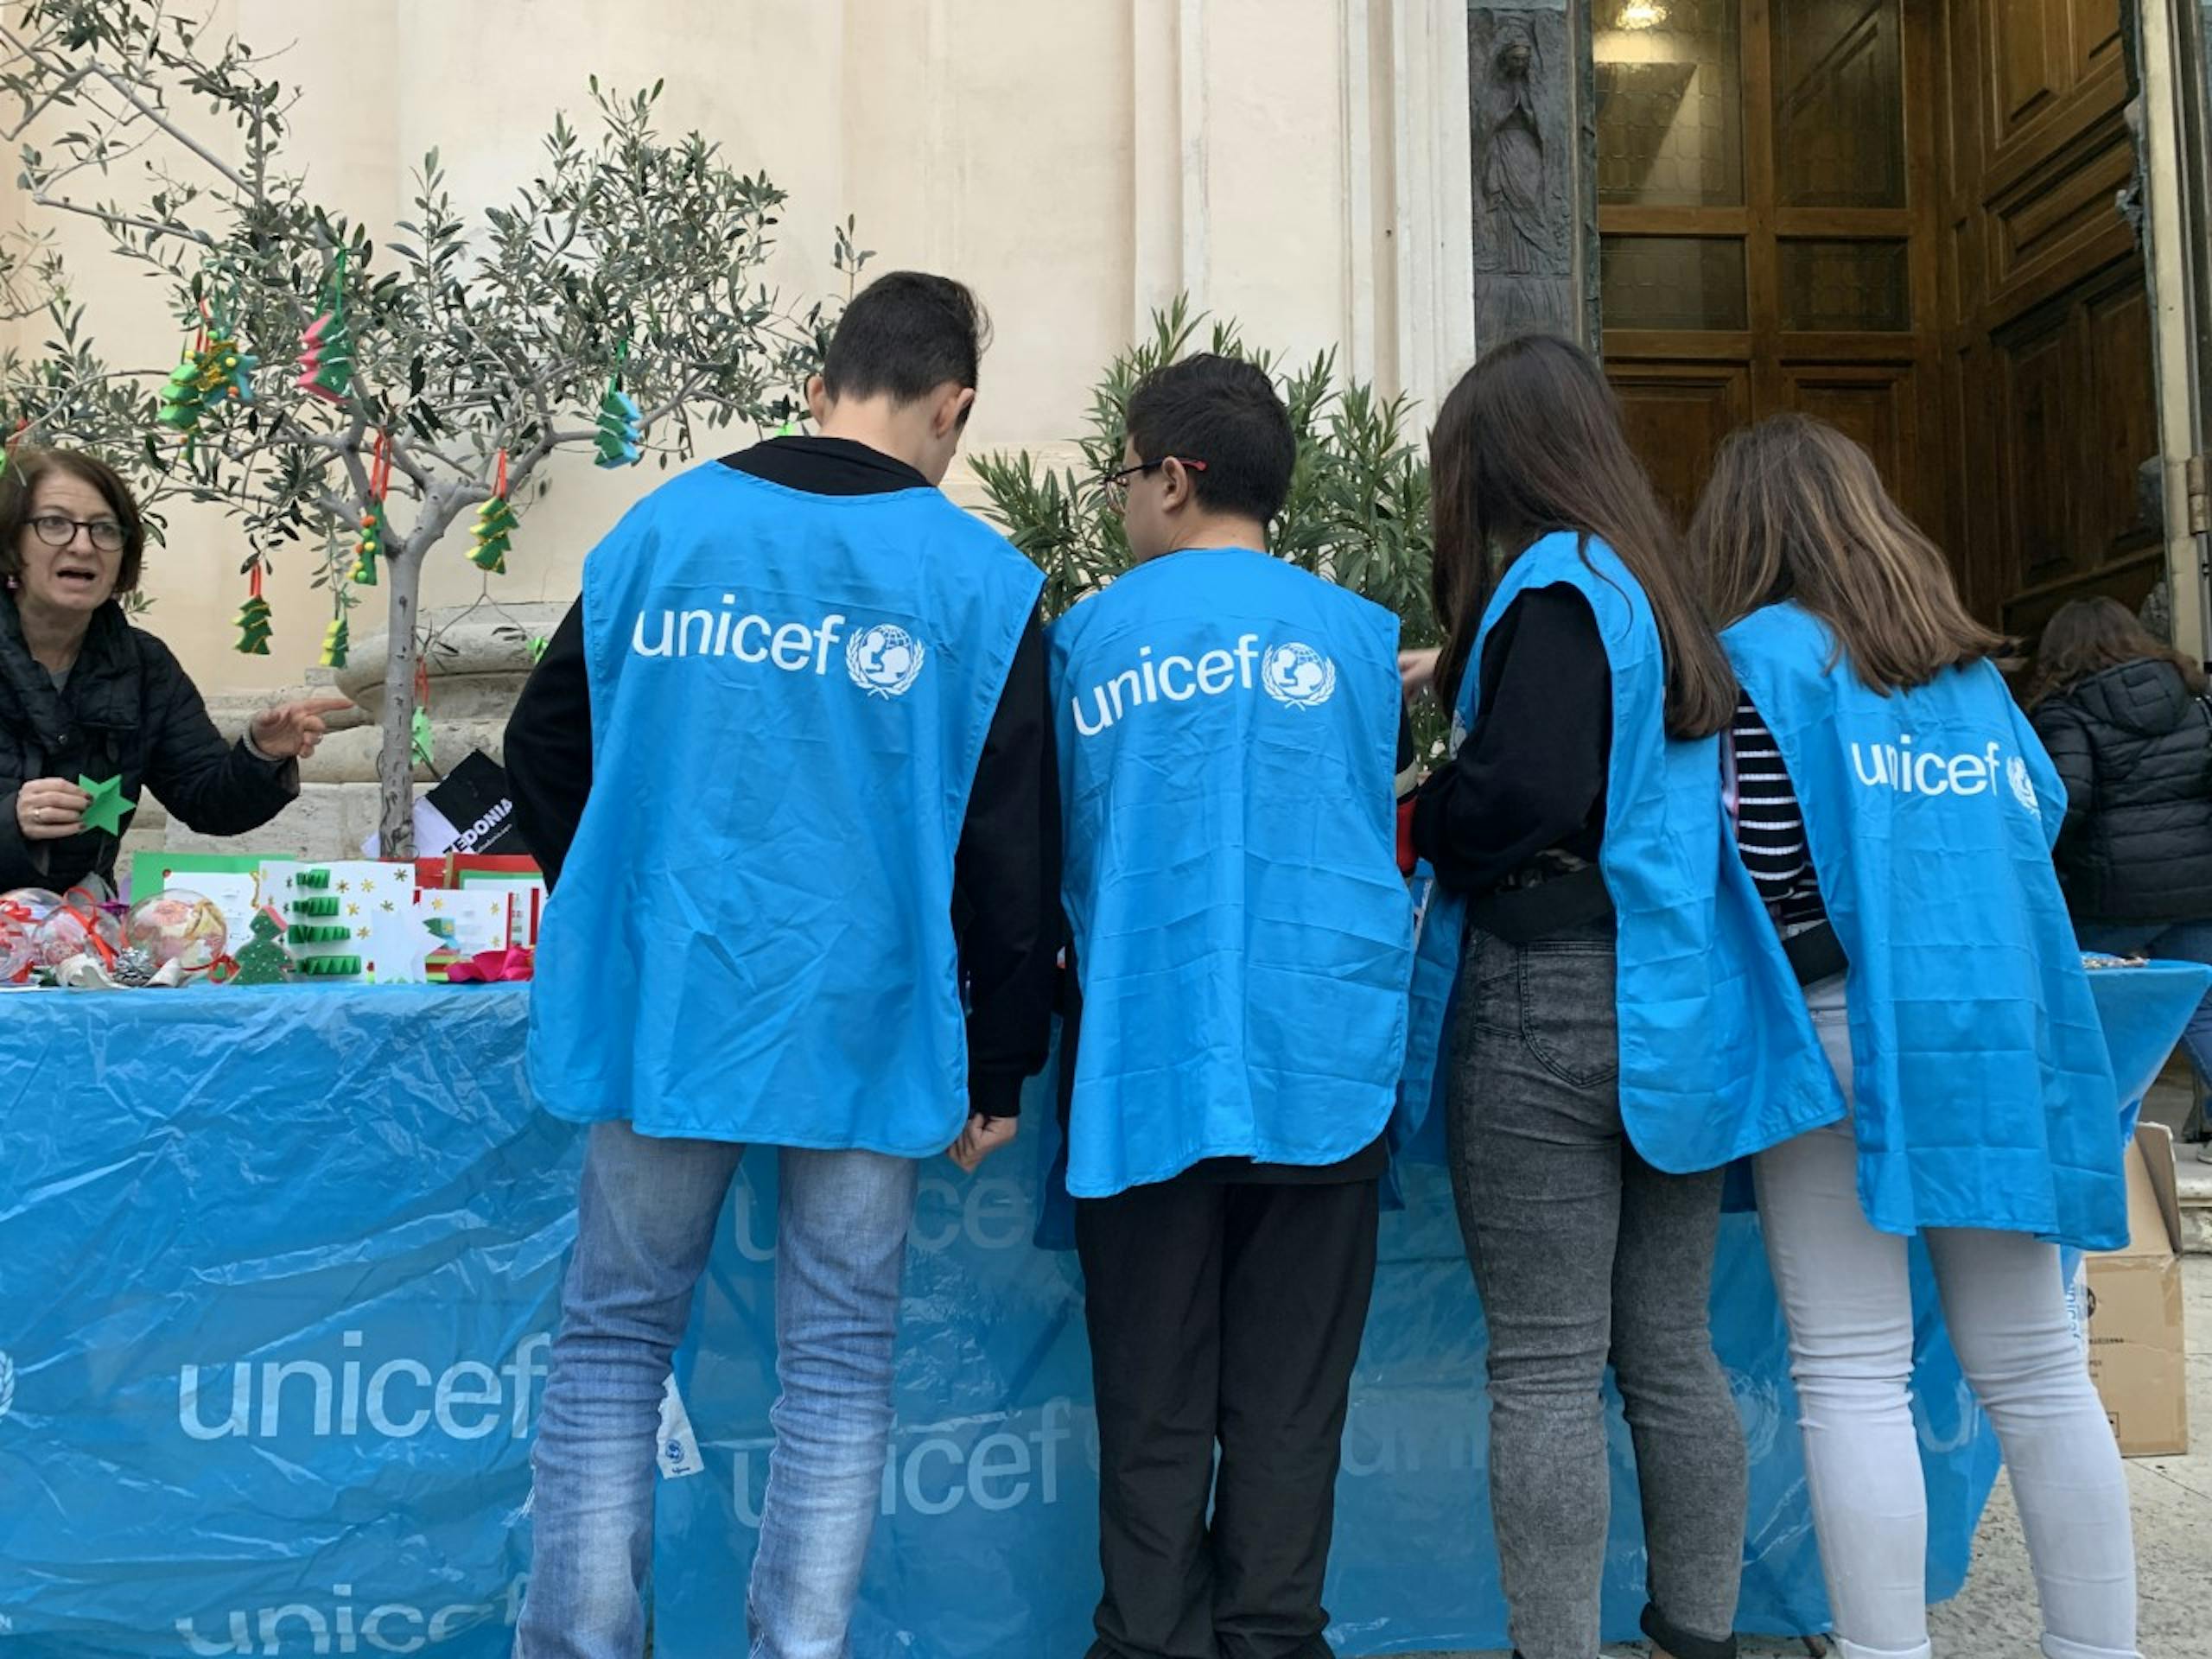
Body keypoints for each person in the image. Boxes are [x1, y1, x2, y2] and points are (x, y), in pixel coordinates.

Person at [505, 271, 1060, 1659]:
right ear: (956, 408)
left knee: (614, 1345)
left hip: (669, 1010)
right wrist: (1000, 1065)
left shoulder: (662, 532)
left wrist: (629, 906)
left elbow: (539, 756)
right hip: (870, 1025)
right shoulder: (984, 584)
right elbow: (1012, 857)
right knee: (838, 1366)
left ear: (821, 387)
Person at [1402, 336, 1834, 1659]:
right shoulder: (1657, 592)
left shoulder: (1550, 583)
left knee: (1543, 1363)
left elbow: (1521, 790)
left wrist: (1425, 806)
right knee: (1670, 1353)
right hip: (1672, 1007)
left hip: (1545, 992)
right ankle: (1697, 1634)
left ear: (1501, 464)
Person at [1693, 415, 2137, 1659]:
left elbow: (1751, 866)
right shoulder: (1967, 671)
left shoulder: (1744, 667)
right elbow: (2036, 821)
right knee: (2041, 1373)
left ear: (1742, 530)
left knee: (1850, 1373)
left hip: (1832, 1028)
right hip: (1994, 1032)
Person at [1050, 353, 1413, 1659]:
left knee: (1150, 1408)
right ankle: (1270, 1637)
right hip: (1324, 1063)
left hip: (1143, 1065)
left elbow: (1056, 858)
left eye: (1125, 473)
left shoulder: (1088, 637)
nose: (1120, 502)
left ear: (1175, 478)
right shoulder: (1361, 641)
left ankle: (1146, 1641)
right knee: (1290, 1410)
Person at [0, 446, 342, 891]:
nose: (83, 545)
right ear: (11, 541)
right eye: (55, 524)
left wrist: (261, 754)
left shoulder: (143, 665)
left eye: (105, 529)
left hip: (80, 933)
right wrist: (11, 820)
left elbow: (208, 802)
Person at [2031, 594, 2212, 1154]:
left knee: (2083, 1009)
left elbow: (2064, 800)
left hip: (2105, 896)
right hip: (2196, 887)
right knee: (2203, 1009)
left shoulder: (2066, 709)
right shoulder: (2193, 699)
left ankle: (2084, 1141)